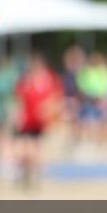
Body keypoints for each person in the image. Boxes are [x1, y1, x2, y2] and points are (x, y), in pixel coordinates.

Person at [13, 52, 63, 189]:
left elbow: (55, 98)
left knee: (33, 149)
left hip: (37, 121)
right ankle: (27, 173)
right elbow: (19, 100)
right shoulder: (27, 81)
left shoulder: (48, 79)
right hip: (27, 120)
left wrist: (48, 111)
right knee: (24, 150)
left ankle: (33, 175)